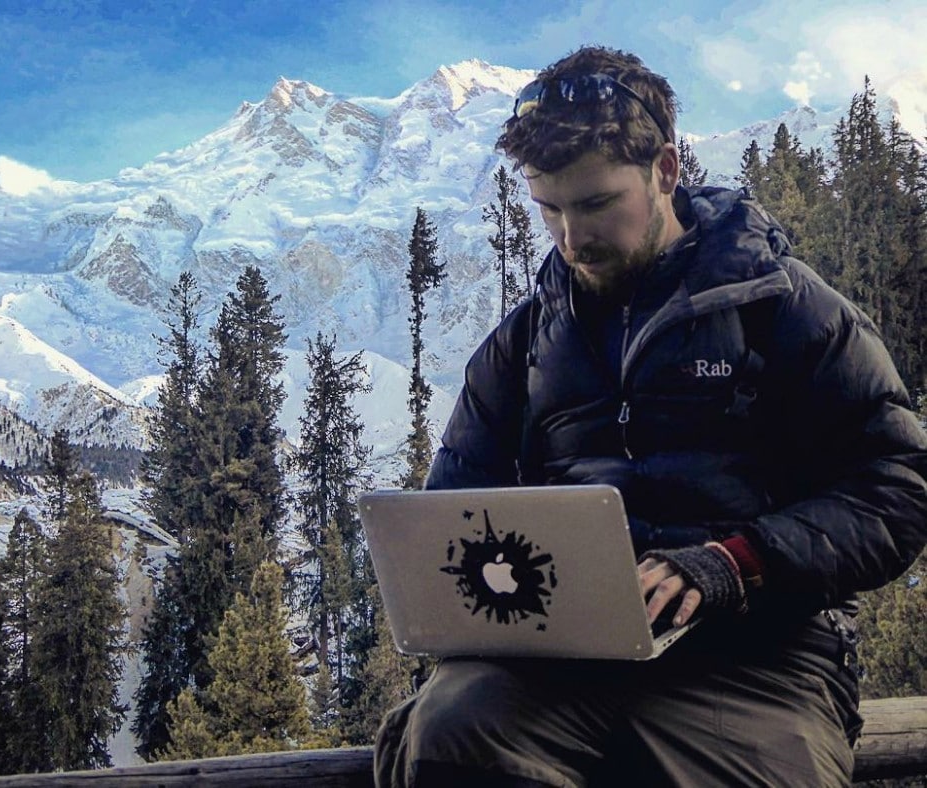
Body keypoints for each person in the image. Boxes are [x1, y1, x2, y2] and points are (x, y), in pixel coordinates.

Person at [373, 45, 927, 787]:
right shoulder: (521, 346)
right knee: (448, 734)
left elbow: (898, 487)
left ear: (664, 170)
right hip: (553, 659)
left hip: (760, 656)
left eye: (597, 204)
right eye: (550, 209)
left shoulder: (786, 310)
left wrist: (739, 561)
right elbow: (449, 511)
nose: (571, 238)